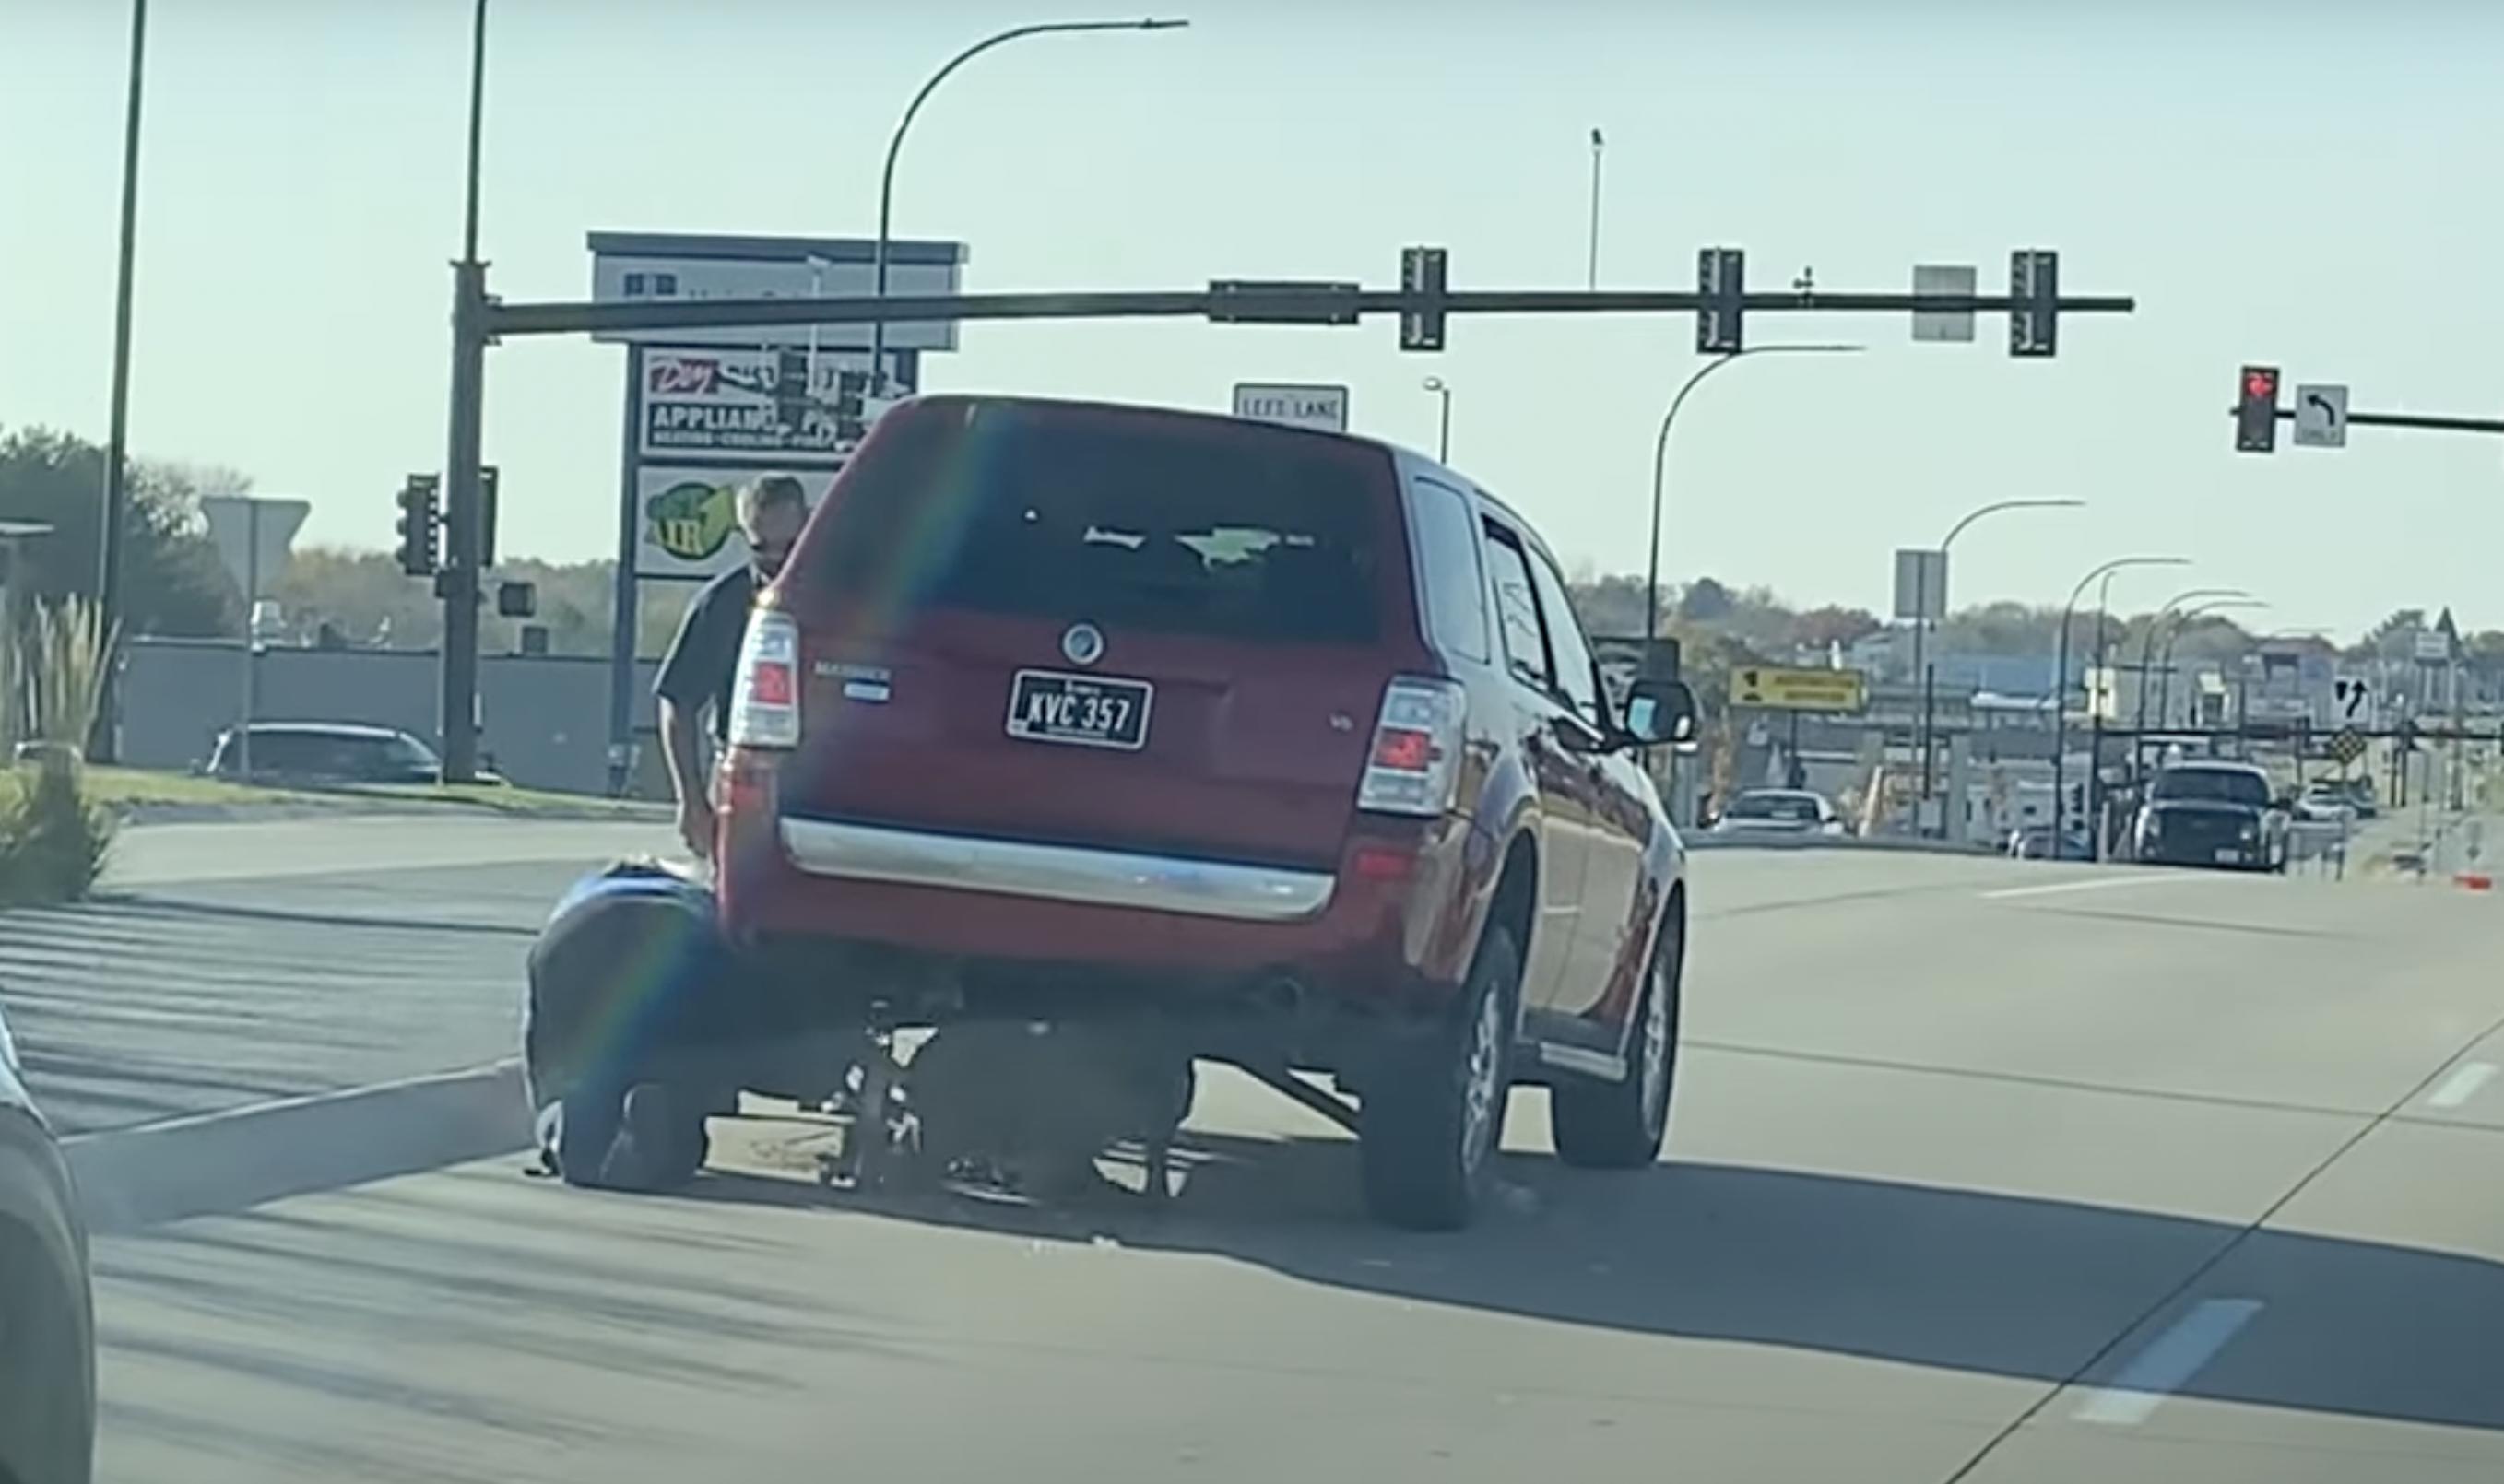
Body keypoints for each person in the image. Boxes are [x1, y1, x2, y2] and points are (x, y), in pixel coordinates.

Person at [654, 473, 809, 860]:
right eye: (762, 548)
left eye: (789, 548)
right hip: (744, 772)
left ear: (810, 523)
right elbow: (679, 700)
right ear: (745, 536)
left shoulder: (847, 595)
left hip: (824, 770)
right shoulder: (723, 603)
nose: (776, 561)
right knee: (736, 897)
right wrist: (690, 799)